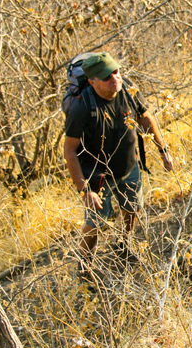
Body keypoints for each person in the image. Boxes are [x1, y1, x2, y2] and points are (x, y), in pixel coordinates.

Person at [63, 52, 173, 267]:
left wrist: (163, 150)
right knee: (96, 222)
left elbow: (145, 118)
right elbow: (70, 150)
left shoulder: (128, 89)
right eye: (107, 77)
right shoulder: (82, 106)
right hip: (97, 174)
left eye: (116, 72)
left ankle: (124, 246)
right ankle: (85, 265)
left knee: (133, 208)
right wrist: (85, 190)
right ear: (93, 82)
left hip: (128, 165)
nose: (115, 79)